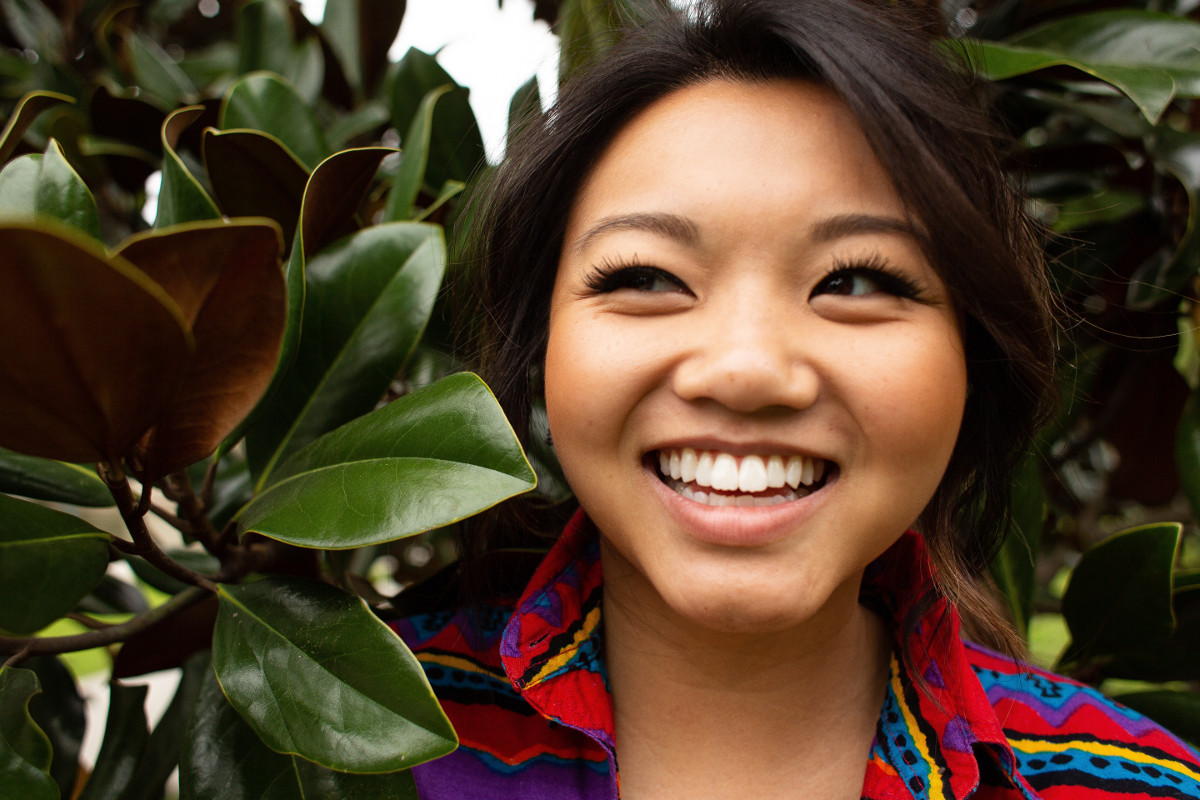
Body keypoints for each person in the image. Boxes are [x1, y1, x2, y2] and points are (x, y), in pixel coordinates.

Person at [389, 0, 1200, 797]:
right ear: (544, 345)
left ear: (971, 354)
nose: (747, 371)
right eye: (647, 278)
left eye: (854, 280)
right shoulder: (339, 747)